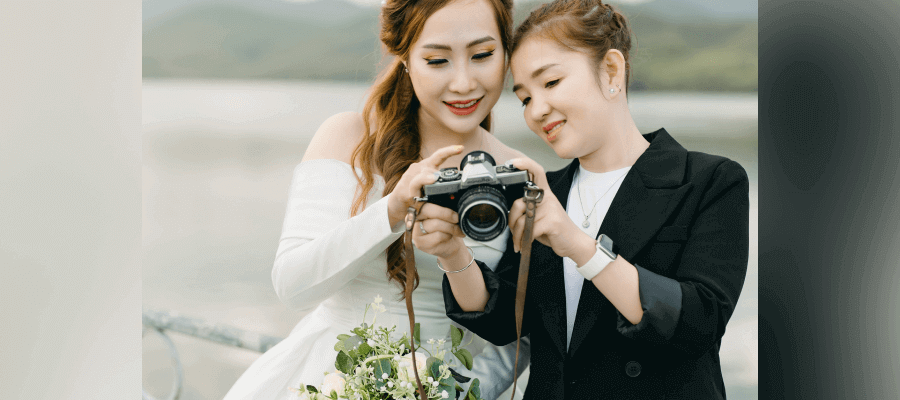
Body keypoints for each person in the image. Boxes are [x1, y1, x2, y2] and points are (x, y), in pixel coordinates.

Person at [437, 0, 750, 399]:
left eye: (550, 83)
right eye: (525, 98)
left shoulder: (710, 180)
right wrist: (452, 255)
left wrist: (580, 247)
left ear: (611, 71)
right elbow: (506, 322)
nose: (537, 111)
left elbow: (698, 323)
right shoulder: (546, 190)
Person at [223, 0, 531, 399]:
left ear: (506, 52)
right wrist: (391, 210)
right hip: (330, 382)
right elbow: (293, 286)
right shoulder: (349, 138)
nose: (463, 82)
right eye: (437, 60)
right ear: (404, 58)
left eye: (483, 55)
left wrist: (448, 393)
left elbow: (519, 335)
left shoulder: (519, 173)